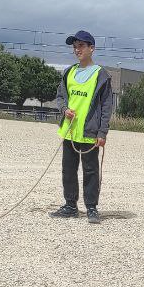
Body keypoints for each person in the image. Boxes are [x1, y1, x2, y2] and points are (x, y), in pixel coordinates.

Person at [50, 30, 113, 225]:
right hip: (69, 130)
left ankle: (92, 208)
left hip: (90, 132)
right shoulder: (68, 72)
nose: (77, 49)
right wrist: (64, 109)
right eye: (75, 46)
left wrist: (102, 132)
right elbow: (60, 97)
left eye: (81, 46)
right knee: (68, 169)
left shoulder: (101, 75)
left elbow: (107, 106)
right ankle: (70, 206)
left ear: (91, 48)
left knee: (90, 171)